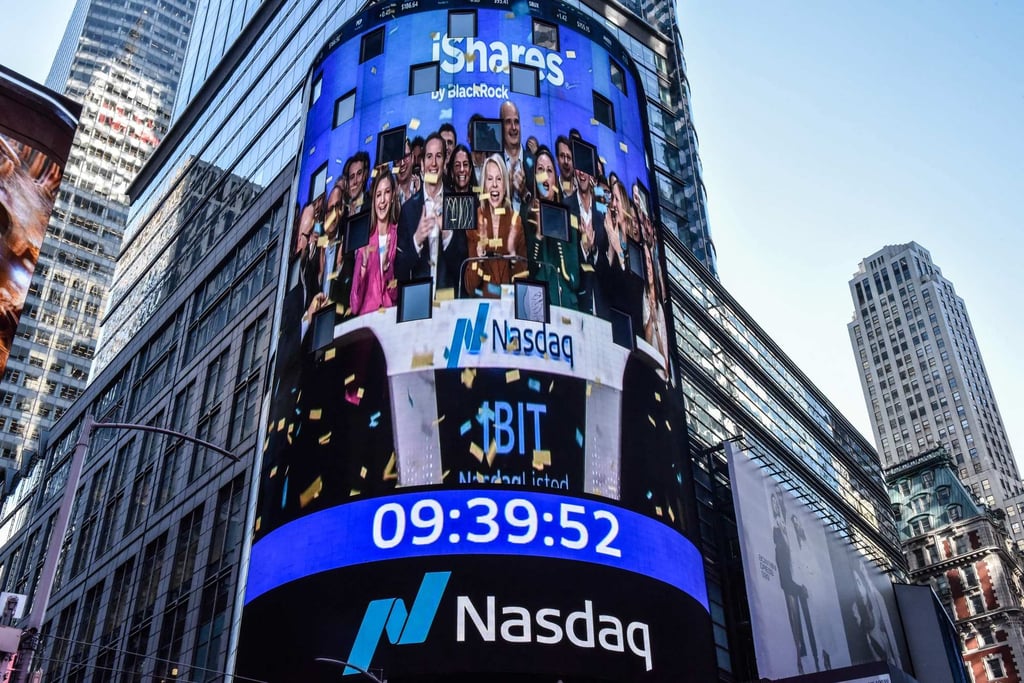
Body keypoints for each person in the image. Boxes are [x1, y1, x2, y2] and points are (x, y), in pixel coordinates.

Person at [396, 133, 467, 291]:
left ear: (445, 162)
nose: (433, 163)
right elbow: (400, 270)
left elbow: (463, 268)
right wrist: (417, 240)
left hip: (448, 298)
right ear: (422, 164)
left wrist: (447, 235)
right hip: (419, 298)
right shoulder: (408, 209)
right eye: (429, 157)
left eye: (438, 156)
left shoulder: (457, 205)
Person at [526, 146, 580, 310]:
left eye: (549, 171)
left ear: (555, 180)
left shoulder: (567, 218)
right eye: (540, 170)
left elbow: (574, 279)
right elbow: (528, 272)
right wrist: (538, 235)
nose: (544, 176)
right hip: (536, 305)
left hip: (564, 304)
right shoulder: (525, 216)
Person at [464, 155, 526, 298]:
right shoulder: (475, 221)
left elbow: (522, 281)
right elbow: (470, 287)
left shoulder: (516, 222)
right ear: (484, 186)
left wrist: (514, 259)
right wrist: (479, 256)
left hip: (509, 304)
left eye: (499, 179)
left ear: (505, 186)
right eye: (490, 179)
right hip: (483, 302)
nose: (494, 185)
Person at [772, 492, 819, 675]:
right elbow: (780, 551)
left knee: (808, 623)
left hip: (798, 580)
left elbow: (799, 558)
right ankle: (799, 661)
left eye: (777, 501)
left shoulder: (789, 527)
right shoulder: (776, 525)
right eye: (773, 502)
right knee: (794, 621)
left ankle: (814, 661)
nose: (776, 505)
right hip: (786, 578)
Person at [350, 169, 400, 315]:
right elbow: (354, 305)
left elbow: (396, 295)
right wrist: (363, 268)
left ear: (392, 196)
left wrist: (387, 269)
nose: (382, 200)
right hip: (367, 319)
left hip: (389, 318)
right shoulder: (365, 241)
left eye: (387, 192)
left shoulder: (398, 235)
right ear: (373, 201)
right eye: (378, 195)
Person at [565, 165, 606, 315]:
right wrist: (583, 248)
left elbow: (606, 264)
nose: (582, 173)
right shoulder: (566, 206)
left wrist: (593, 249)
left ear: (593, 176)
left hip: (601, 304)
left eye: (586, 168)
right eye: (579, 168)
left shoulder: (601, 212)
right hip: (577, 302)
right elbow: (566, 256)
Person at [500, 100, 532, 213]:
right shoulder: (494, 163)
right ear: (501, 126)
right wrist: (507, 190)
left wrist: (525, 192)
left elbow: (544, 201)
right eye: (508, 122)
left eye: (516, 122)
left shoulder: (534, 162)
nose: (513, 127)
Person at [341, 151, 370, 216]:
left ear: (365, 175)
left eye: (359, 173)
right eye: (351, 177)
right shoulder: (341, 214)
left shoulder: (371, 204)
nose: (355, 181)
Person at [395, 138, 420, 207]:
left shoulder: (423, 189)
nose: (402, 163)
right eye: (398, 158)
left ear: (412, 157)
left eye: (405, 156)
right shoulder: (389, 194)